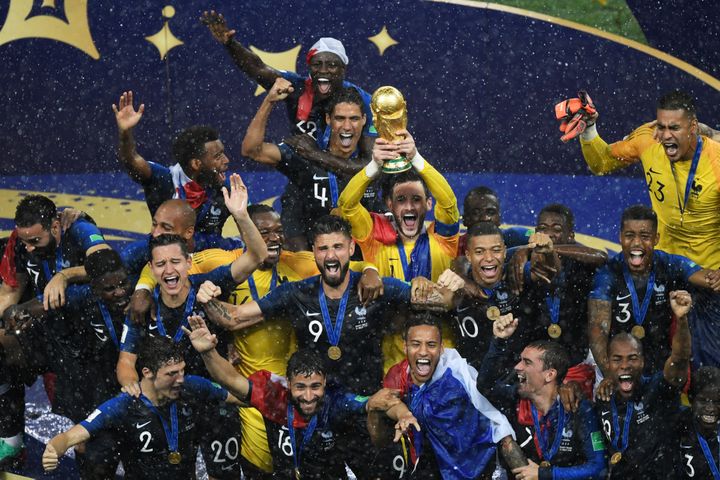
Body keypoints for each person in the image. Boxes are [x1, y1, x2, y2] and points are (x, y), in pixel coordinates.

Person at [138, 204, 382, 478]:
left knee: (317, 464)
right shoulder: (221, 261)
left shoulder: (300, 263)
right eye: (263, 232)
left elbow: (354, 263)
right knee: (266, 469)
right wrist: (143, 287)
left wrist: (371, 269)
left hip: (299, 387)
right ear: (247, 234)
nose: (274, 238)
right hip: (251, 388)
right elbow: (168, 263)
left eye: (278, 231)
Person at [195, 214, 446, 477]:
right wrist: (206, 300)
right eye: (323, 248)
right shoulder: (296, 293)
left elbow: (441, 299)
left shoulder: (375, 287)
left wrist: (456, 287)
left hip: (368, 410)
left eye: (337, 247)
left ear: (350, 248)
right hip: (315, 410)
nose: (330, 256)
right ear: (313, 251)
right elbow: (234, 318)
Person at [201, 11, 379, 251]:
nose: (324, 71)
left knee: (358, 250)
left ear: (344, 69)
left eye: (332, 65)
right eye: (318, 65)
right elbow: (257, 68)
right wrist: (230, 44)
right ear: (309, 68)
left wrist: (314, 154)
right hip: (304, 178)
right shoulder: (296, 89)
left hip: (347, 179)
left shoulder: (363, 102)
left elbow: (369, 165)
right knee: (297, 252)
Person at [184, 314, 401, 479]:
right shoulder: (273, 397)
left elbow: (380, 402)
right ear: (288, 383)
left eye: (315, 386)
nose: (308, 396)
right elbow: (231, 380)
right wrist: (208, 352)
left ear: (325, 382)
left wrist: (398, 411)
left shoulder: (335, 401)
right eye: (300, 387)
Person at [337, 130, 460, 372]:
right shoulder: (375, 238)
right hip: (393, 357)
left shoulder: (443, 239)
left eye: (416, 199)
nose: (409, 206)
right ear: (389, 205)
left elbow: (449, 203)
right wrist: (373, 167)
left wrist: (416, 159)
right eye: (401, 200)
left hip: (444, 356)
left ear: (428, 203)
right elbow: (346, 205)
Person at [2, 249, 129, 478]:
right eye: (110, 289)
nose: (120, 292)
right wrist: (17, 312)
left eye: (123, 284)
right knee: (95, 457)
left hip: (141, 380)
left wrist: (64, 275)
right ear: (94, 287)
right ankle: (10, 439)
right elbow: (35, 306)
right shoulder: (80, 297)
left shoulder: (138, 275)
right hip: (100, 376)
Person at [42, 335, 242, 479]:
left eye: (182, 371)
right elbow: (72, 435)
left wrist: (265, 398)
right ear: (147, 372)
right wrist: (54, 449)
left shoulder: (193, 386)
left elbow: (240, 396)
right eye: (172, 374)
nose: (181, 379)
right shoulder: (124, 405)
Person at [573, 90, 720, 269]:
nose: (665, 136)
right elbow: (601, 163)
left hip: (710, 275)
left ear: (693, 127)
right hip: (664, 269)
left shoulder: (716, 161)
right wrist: (589, 128)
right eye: (662, 126)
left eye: (674, 128)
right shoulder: (648, 140)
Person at [379, 311, 526, 479]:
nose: (423, 352)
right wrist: (403, 414)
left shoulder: (459, 373)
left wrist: (524, 472)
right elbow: (388, 401)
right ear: (405, 346)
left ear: (442, 348)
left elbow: (499, 425)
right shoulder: (397, 374)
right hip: (432, 465)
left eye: (431, 344)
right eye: (415, 344)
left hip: (477, 464)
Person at [241, 79, 382, 249]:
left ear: (364, 120)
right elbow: (252, 150)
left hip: (366, 258)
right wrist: (269, 101)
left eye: (354, 119)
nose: (347, 126)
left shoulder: (374, 158)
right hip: (313, 261)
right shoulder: (304, 152)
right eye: (340, 118)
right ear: (328, 119)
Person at [588, 205, 720, 376]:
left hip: (661, 369)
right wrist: (610, 376)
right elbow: (598, 330)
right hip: (618, 368)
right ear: (620, 237)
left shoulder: (669, 264)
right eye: (629, 236)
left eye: (645, 236)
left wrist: (717, 277)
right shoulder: (607, 274)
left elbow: (707, 280)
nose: (636, 243)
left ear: (656, 238)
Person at [478, 318, 607, 480]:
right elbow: (484, 386)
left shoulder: (578, 408)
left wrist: (545, 474)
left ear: (549, 374)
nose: (518, 367)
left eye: (527, 363)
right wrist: (498, 341)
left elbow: (598, 468)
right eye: (520, 360)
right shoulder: (516, 399)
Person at [593, 289, 692, 479]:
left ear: (643, 362)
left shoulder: (658, 389)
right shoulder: (603, 397)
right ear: (607, 363)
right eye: (617, 359)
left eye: (632, 358)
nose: (625, 366)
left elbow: (679, 361)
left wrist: (681, 320)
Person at [113, 92, 233, 235]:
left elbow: (255, 224)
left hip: (212, 254)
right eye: (218, 156)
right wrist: (125, 133)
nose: (226, 160)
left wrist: (242, 215)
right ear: (196, 164)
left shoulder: (227, 190)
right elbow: (131, 159)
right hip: (164, 252)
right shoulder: (163, 179)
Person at [458, 186, 531, 255]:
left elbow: (532, 234)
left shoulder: (514, 236)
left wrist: (526, 251)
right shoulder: (453, 248)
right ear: (465, 219)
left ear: (499, 219)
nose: (484, 218)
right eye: (476, 213)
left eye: (491, 212)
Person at [675, 366, 720, 478]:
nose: (711, 408)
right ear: (691, 399)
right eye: (703, 401)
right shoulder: (679, 425)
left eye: (717, 401)